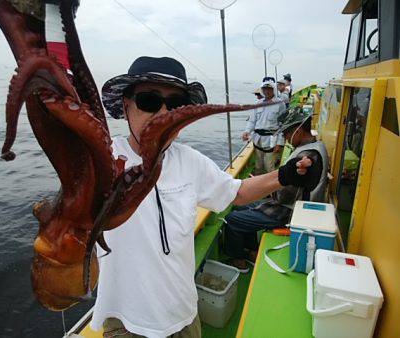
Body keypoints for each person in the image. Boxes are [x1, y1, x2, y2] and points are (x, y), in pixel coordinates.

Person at [90, 56, 317, 338]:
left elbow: (237, 192)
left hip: (185, 315)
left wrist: (287, 175)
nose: (164, 112)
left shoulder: (190, 161)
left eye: (175, 105)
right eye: (149, 100)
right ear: (126, 107)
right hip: (127, 324)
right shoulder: (99, 162)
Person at [225, 108, 329, 271]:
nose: (286, 139)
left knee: (233, 219)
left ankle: (238, 259)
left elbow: (284, 197)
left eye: (287, 134)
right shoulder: (317, 145)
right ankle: (252, 250)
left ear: (298, 130)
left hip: (289, 212)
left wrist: (262, 188)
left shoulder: (306, 155)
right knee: (241, 206)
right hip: (295, 206)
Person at [242, 81, 285, 175]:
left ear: (273, 90)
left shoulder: (280, 104)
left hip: (271, 140)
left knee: (269, 166)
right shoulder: (258, 103)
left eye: (269, 89)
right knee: (258, 165)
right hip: (257, 140)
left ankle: (272, 188)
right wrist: (246, 132)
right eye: (264, 89)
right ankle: (258, 183)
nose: (267, 91)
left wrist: (279, 143)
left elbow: (282, 125)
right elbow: (252, 121)